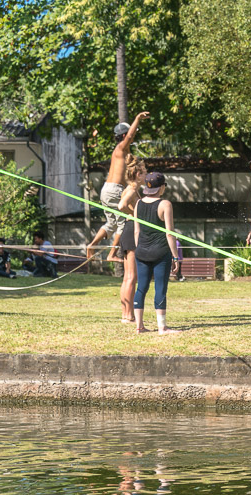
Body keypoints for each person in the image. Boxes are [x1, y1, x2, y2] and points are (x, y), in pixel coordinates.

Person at [86, 111, 149, 259]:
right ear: (123, 136)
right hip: (114, 190)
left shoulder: (120, 151)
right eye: (129, 135)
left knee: (111, 224)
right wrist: (137, 118)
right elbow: (130, 136)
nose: (132, 138)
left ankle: (91, 245)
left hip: (107, 189)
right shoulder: (121, 147)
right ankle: (112, 254)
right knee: (123, 223)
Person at [133, 171, 181, 335]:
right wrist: (175, 256)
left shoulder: (138, 204)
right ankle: (162, 327)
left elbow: (136, 231)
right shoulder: (165, 204)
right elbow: (169, 233)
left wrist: (139, 249)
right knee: (160, 287)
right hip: (161, 252)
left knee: (141, 288)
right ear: (162, 187)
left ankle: (139, 326)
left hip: (141, 252)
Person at [117, 157, 146, 323]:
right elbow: (121, 205)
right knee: (131, 277)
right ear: (137, 174)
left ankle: (127, 314)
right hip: (131, 230)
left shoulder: (134, 189)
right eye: (144, 171)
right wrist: (134, 214)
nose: (147, 174)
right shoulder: (133, 188)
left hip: (129, 230)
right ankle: (128, 315)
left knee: (129, 277)